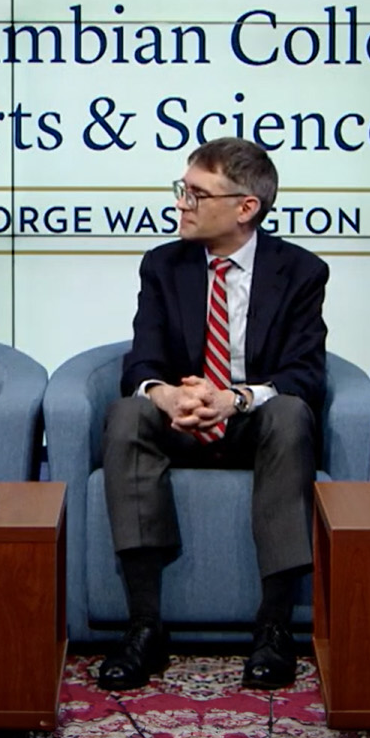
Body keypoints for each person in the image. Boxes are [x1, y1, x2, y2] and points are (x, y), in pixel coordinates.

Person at [99, 137, 329, 691]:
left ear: (245, 207)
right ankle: (144, 627)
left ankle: (274, 630)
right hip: (181, 415)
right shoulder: (163, 264)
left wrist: (236, 398)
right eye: (183, 189)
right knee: (127, 416)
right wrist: (167, 396)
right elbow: (143, 358)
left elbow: (305, 373)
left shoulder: (300, 271)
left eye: (196, 193)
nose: (182, 203)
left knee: (291, 413)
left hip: (252, 421)